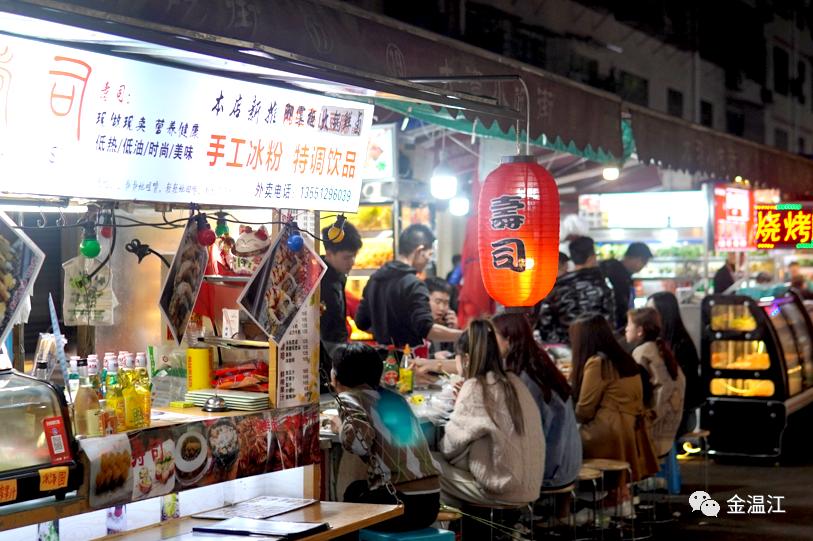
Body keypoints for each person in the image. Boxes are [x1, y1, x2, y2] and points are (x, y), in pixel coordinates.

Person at [331, 343, 440, 533]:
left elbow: (358, 444)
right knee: (359, 488)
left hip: (401, 504)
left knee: (350, 498)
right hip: (431, 504)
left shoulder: (349, 398)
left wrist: (341, 427)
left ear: (336, 376)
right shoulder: (395, 398)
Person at [436, 319, 544, 509]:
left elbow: (449, 447)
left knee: (428, 463)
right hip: (531, 487)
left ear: (466, 358)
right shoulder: (515, 382)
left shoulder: (475, 386)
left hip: (502, 490)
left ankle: (460, 525)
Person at [570, 314, 659, 507]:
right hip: (631, 433)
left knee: (563, 444)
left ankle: (575, 505)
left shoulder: (598, 364)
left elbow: (584, 411)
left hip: (608, 435)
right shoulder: (624, 360)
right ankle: (618, 496)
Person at [492, 312, 581, 489]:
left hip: (551, 469)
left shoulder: (526, 379)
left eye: (493, 335)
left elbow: (523, 432)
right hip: (568, 461)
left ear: (508, 339)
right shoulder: (538, 364)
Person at [356, 224, 461, 348]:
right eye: (429, 255)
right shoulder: (413, 284)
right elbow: (426, 329)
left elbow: (361, 322)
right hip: (409, 356)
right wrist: (462, 335)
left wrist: (386, 336)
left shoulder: (375, 279)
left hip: (383, 355)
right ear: (419, 251)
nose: (428, 261)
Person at [625, 308, 686, 458]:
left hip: (653, 430)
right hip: (669, 429)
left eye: (629, 324)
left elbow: (637, 391)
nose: (626, 329)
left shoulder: (642, 352)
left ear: (640, 330)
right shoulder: (660, 349)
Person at [537, 236, 616, 344]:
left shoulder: (556, 289)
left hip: (565, 349)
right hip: (596, 348)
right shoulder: (602, 287)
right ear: (592, 257)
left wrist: (564, 345)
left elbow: (545, 325)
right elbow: (610, 324)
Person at [647, 292, 703, 434]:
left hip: (681, 415)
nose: (647, 316)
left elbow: (675, 385)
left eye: (652, 311)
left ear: (664, 313)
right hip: (670, 412)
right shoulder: (660, 341)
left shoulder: (680, 345)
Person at [320, 221, 362, 355]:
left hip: (339, 346)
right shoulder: (319, 279)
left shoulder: (338, 276)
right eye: (347, 257)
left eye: (354, 256)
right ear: (329, 253)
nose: (352, 262)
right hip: (327, 351)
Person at [599, 242, 653, 329]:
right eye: (643, 262)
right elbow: (618, 304)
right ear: (635, 258)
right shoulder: (615, 273)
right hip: (612, 326)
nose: (644, 266)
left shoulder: (623, 274)